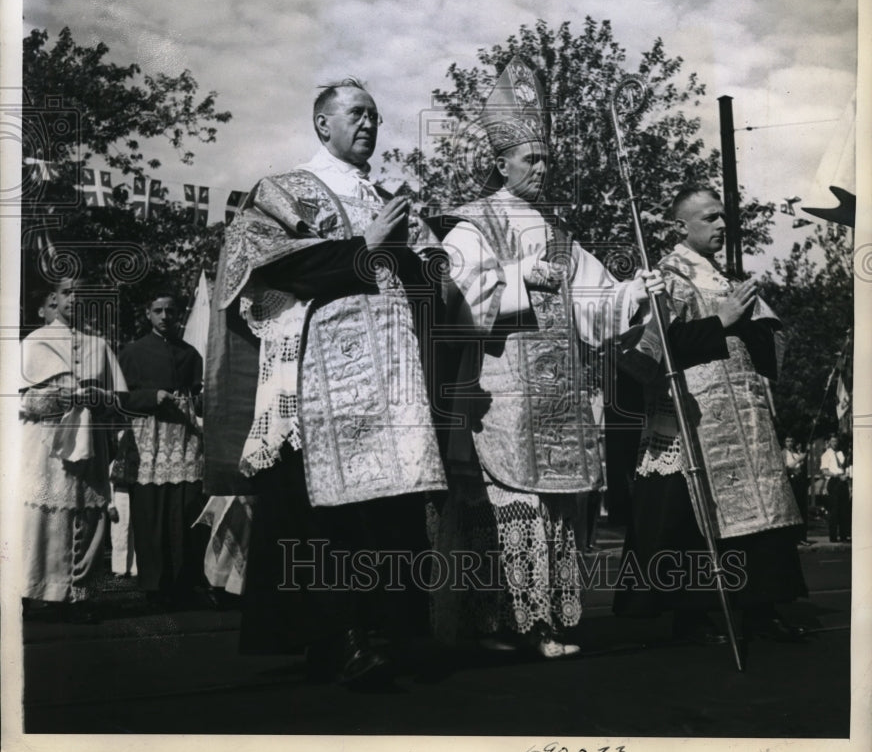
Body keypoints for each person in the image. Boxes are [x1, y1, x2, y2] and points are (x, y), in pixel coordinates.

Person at [203, 77, 446, 687]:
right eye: (357, 114)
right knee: (323, 511)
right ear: (323, 125)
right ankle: (336, 636)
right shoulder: (283, 191)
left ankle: (389, 630)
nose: (370, 124)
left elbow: (429, 277)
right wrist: (363, 246)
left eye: (376, 117)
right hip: (319, 372)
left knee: (389, 503)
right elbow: (258, 266)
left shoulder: (385, 195)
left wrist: (424, 260)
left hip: (390, 372)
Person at [427, 57, 663, 659]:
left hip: (560, 401)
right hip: (502, 398)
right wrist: (516, 278)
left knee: (556, 509)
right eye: (530, 157)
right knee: (510, 507)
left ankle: (549, 621)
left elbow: (595, 307)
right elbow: (454, 301)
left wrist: (636, 291)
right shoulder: (471, 223)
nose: (541, 167)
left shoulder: (560, 232)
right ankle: (498, 624)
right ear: (500, 162)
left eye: (546, 157)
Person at [613, 185, 808, 645]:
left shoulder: (726, 278)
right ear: (681, 226)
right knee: (689, 514)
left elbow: (767, 344)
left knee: (762, 509)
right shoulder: (664, 277)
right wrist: (718, 322)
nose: (722, 225)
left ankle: (762, 608)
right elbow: (646, 353)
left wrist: (758, 326)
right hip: (694, 414)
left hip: (745, 411)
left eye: (723, 217)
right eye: (709, 218)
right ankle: (692, 615)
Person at [19, 279, 126, 621]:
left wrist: (100, 399)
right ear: (54, 298)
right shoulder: (35, 342)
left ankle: (79, 596)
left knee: (88, 516)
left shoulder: (99, 344)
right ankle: (35, 591)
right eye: (68, 293)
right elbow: (23, 402)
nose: (75, 299)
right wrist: (60, 397)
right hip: (45, 445)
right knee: (40, 518)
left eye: (83, 294)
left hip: (89, 445)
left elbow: (116, 401)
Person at [117, 289, 207, 608]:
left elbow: (199, 395)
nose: (165, 317)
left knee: (184, 510)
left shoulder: (190, 353)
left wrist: (201, 399)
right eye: (158, 311)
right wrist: (150, 397)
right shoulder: (131, 352)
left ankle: (184, 583)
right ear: (148, 314)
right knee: (150, 512)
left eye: (170, 311)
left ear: (179, 314)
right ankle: (155, 587)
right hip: (147, 439)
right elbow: (120, 399)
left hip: (183, 438)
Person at [819, 434, 851, 542]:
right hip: (834, 482)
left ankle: (843, 535)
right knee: (834, 510)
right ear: (829, 442)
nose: (835, 443)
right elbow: (824, 471)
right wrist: (837, 475)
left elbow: (844, 467)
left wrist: (846, 476)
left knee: (844, 510)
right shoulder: (826, 455)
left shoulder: (841, 453)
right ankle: (833, 536)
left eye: (836, 441)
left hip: (843, 481)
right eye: (833, 441)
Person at [782, 435, 810, 544]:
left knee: (802, 509)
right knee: (793, 509)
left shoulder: (795, 453)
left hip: (800, 482)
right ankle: (793, 537)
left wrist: (801, 460)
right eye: (787, 441)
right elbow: (787, 468)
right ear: (784, 443)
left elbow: (799, 466)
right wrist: (799, 459)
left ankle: (802, 537)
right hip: (791, 482)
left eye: (791, 441)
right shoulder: (783, 453)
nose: (789, 443)